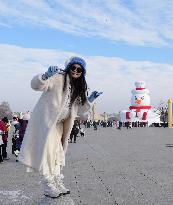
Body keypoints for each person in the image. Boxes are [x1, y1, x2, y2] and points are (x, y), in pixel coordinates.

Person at [19, 56, 102, 198]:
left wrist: (90, 101)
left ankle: (57, 180)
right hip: (47, 122)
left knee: (58, 153)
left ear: (83, 72)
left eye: (79, 69)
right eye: (73, 68)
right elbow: (35, 85)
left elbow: (80, 111)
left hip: (60, 125)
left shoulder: (79, 87)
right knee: (48, 153)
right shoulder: (58, 78)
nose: (75, 71)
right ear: (69, 67)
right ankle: (48, 183)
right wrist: (45, 76)